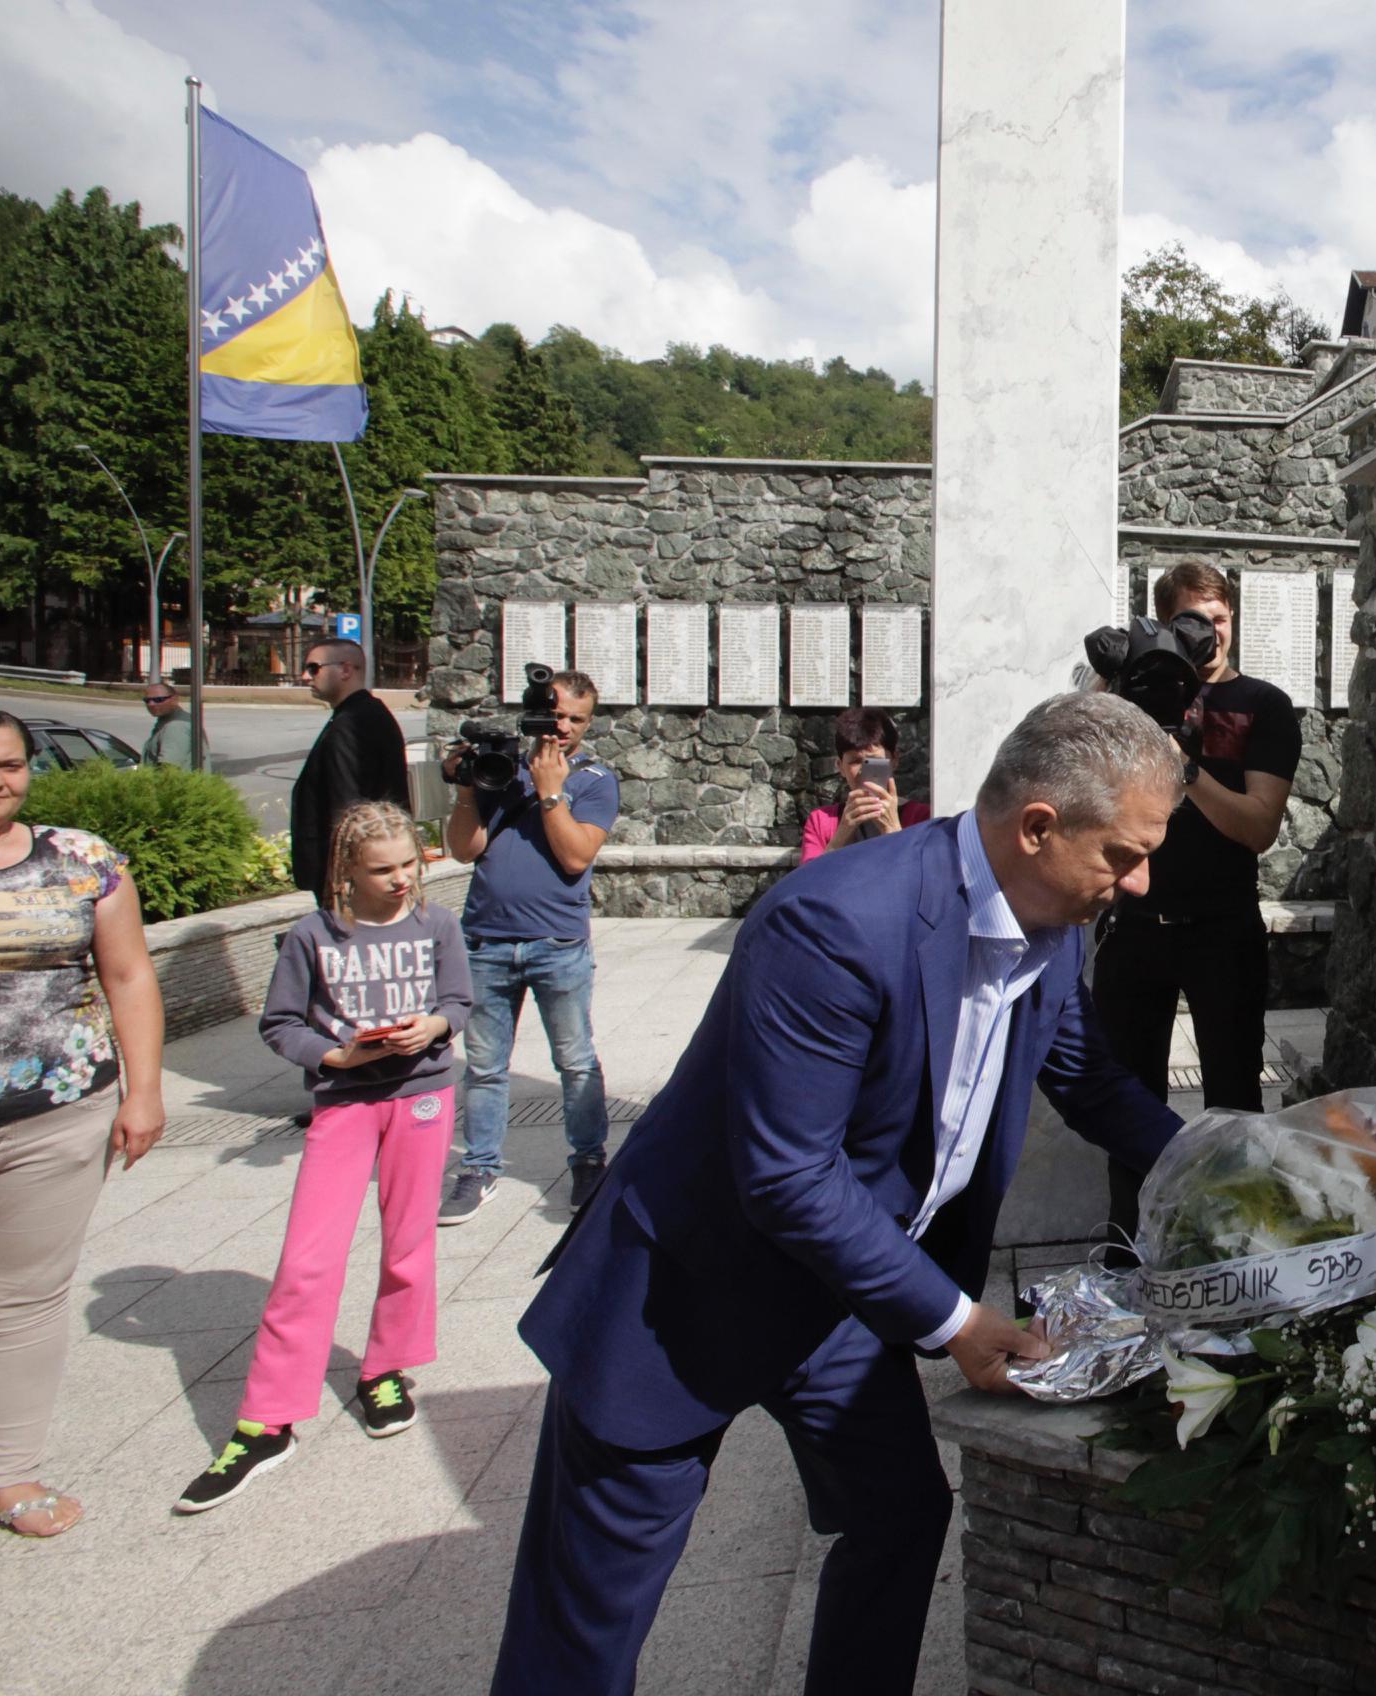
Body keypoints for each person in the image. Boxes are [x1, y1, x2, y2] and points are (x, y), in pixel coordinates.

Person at [491, 692, 1187, 1696]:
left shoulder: (1056, 922)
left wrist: (1229, 1164)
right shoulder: (835, 921)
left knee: (900, 1517)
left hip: (846, 1293)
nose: (1138, 881)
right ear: (1039, 828)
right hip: (685, 1294)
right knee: (586, 1622)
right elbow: (787, 1174)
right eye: (1123, 854)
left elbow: (1090, 1084)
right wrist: (956, 1322)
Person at [174, 801, 474, 1512]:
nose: (401, 879)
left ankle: (386, 1370)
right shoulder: (312, 936)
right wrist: (333, 1054)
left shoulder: (438, 925)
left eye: (409, 863)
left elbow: (458, 1000)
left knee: (408, 1247)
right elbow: (279, 1023)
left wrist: (430, 1026)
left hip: (423, 1096)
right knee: (308, 1261)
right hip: (344, 1100)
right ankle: (267, 1419)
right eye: (383, 869)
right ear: (347, 870)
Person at [0, 700, 166, 1538]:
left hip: (58, 1114)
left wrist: (143, 1092)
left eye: (9, 764)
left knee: (26, 1300)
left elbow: (130, 975)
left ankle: (6, 1475)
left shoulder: (81, 860)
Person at [1093, 560, 1298, 1248]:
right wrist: (1109, 683)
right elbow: (1082, 777)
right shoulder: (1132, 699)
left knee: (1234, 1096)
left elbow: (1258, 826)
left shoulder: (1262, 706)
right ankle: (1132, 1244)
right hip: (1135, 928)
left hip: (1222, 928)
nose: (1211, 634)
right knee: (1128, 1097)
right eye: (1193, 622)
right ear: (1166, 625)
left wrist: (1188, 765)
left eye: (1220, 619)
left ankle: (1240, 1243)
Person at [440, 668, 619, 1222]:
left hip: (557, 943)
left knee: (575, 1061)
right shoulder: (500, 768)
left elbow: (574, 856)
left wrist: (548, 793)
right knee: (486, 1066)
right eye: (556, 714)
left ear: (588, 724)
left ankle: (588, 1162)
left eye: (575, 719)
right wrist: (470, 786)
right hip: (487, 940)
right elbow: (464, 850)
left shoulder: (593, 779)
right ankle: (479, 1168)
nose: (562, 727)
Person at [288, 638, 410, 908]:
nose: (305, 676)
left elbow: (346, 805)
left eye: (314, 668)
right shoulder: (367, 714)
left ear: (345, 670)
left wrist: (344, 877)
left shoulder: (352, 724)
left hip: (351, 879)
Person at [797, 706, 932, 863]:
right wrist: (841, 835)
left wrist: (893, 829)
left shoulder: (921, 817)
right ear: (840, 767)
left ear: (894, 760)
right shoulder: (821, 821)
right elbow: (809, 883)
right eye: (855, 762)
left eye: (874, 760)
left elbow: (925, 880)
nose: (863, 771)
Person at [137, 683, 207, 771]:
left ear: (175, 699)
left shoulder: (176, 726)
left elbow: (168, 769)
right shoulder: (169, 721)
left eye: (159, 699)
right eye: (147, 700)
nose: (151, 704)